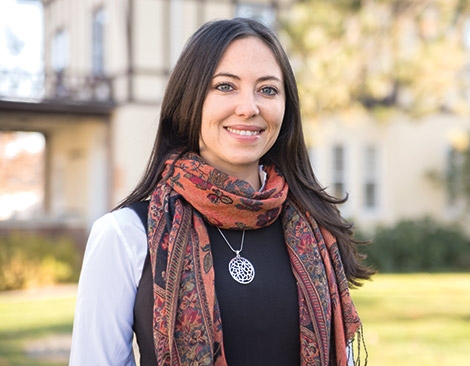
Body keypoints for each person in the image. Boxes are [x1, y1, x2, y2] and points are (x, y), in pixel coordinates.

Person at [69, 17, 372, 366]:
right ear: (190, 99)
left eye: (268, 89)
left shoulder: (314, 228)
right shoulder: (126, 234)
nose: (249, 107)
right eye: (226, 86)